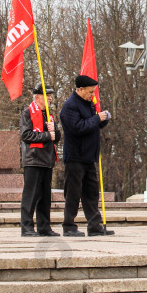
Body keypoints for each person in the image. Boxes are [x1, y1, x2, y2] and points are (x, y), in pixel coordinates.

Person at [60, 75, 113, 237]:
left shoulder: (88, 103)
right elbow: (77, 128)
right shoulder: (70, 106)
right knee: (73, 193)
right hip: (75, 156)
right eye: (90, 92)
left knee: (91, 192)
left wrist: (102, 119)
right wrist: (97, 118)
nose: (92, 95)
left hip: (89, 156)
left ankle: (94, 225)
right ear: (80, 89)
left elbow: (92, 124)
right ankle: (69, 225)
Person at [20, 83, 60, 237]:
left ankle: (44, 227)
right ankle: (27, 227)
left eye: (50, 95)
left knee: (44, 197)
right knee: (30, 195)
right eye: (47, 95)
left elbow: (56, 138)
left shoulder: (48, 115)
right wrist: (47, 135)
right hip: (33, 159)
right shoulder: (27, 113)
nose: (50, 98)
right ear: (37, 97)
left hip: (47, 160)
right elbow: (26, 135)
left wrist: (54, 131)